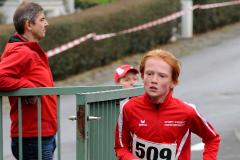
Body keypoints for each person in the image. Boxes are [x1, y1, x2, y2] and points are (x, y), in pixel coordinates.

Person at [114, 49, 220, 160]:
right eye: (149, 74)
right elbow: (121, 147)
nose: (154, 80)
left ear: (173, 82)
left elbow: (212, 138)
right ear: (142, 76)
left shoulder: (187, 111)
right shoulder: (128, 108)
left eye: (162, 76)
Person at [0, 2, 56, 160]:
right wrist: (27, 87)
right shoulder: (23, 52)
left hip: (42, 135)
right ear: (29, 25)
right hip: (33, 138)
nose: (47, 24)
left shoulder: (31, 50)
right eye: (42, 19)